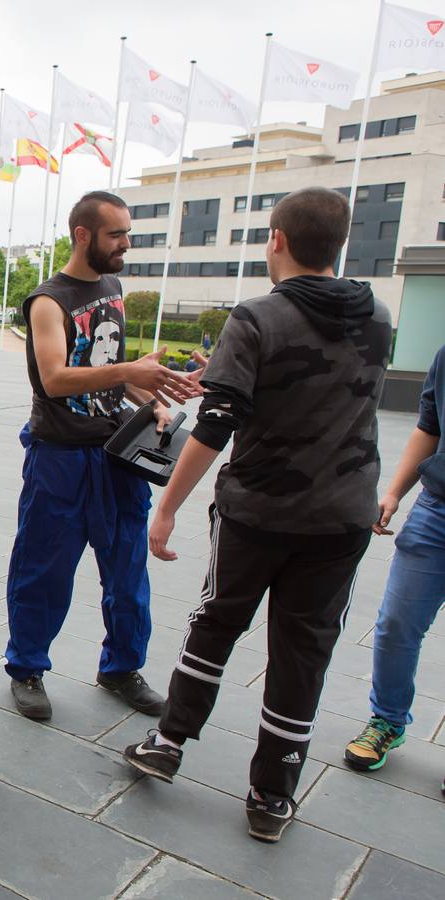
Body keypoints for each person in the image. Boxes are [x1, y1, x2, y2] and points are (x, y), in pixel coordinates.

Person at [123, 187, 392, 844]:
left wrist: (167, 507)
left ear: (276, 239)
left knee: (217, 624)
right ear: (339, 244)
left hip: (260, 513)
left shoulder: (257, 318)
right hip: (342, 520)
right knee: (303, 653)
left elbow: (216, 425)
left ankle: (168, 742)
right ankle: (272, 798)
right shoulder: (379, 317)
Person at [4, 191, 202, 722]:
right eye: (117, 235)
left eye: (127, 233)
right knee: (43, 568)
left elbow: (111, 370)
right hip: (61, 458)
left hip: (117, 456)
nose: (126, 245)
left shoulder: (113, 288)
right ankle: (26, 667)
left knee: (128, 573)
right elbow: (55, 378)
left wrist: (154, 400)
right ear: (83, 235)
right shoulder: (48, 301)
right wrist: (129, 373)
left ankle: (120, 668)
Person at [342, 341, 444, 793]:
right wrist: (395, 492)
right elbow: (429, 427)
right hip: (437, 510)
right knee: (397, 624)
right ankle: (387, 721)